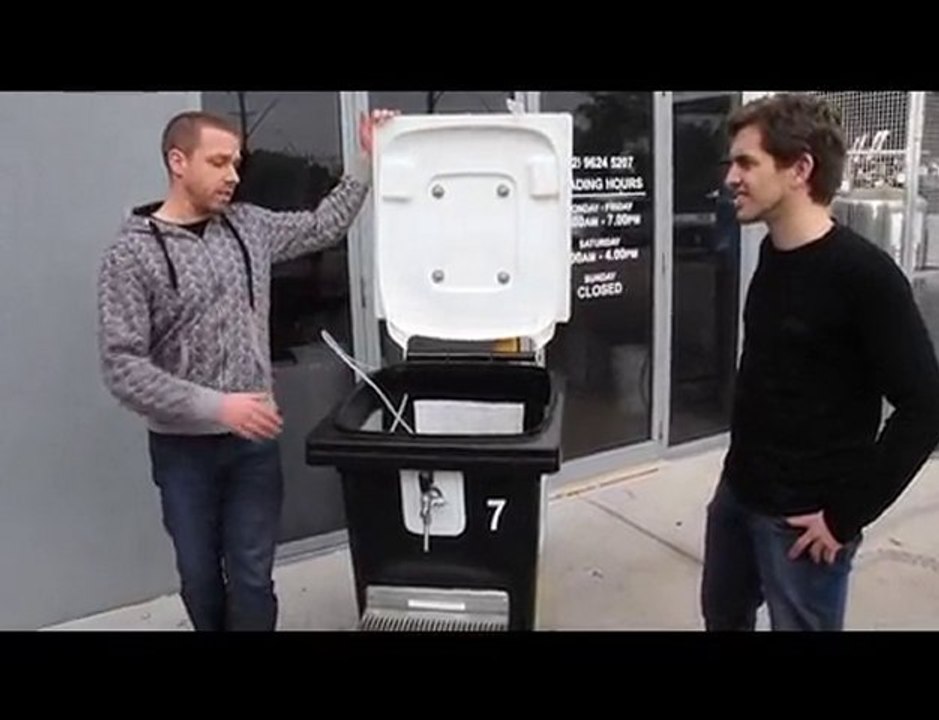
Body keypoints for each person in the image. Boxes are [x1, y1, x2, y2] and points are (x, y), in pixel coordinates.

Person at [97, 107, 396, 631]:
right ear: (177, 162)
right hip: (182, 452)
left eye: (236, 162)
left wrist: (368, 161)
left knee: (254, 577)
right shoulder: (131, 254)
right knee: (199, 578)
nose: (233, 174)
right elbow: (122, 367)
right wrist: (217, 406)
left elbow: (325, 225)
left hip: (253, 447)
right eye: (218, 162)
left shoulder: (249, 227)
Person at [701, 93, 939, 631]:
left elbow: (925, 406)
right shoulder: (771, 253)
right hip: (739, 494)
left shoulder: (865, 276)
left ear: (800, 168)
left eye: (746, 162)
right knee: (723, 617)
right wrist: (734, 484)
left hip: (804, 523)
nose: (730, 178)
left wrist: (843, 517)